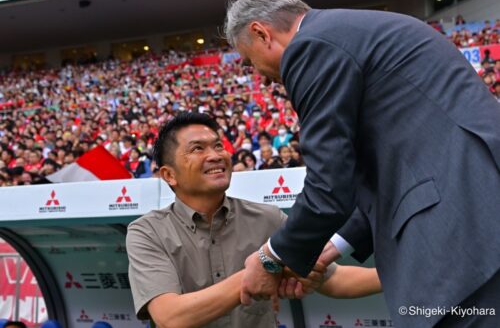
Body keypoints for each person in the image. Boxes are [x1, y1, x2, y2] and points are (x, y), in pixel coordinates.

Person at [224, 0, 500, 327]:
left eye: (247, 61)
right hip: (475, 217)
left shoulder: (309, 46)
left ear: (261, 33)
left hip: (463, 230)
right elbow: (384, 171)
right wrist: (329, 247)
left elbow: (329, 185)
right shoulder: (343, 32)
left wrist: (270, 257)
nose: (260, 78)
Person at [126, 113, 381, 328]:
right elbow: (171, 315)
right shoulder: (147, 231)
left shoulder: (267, 218)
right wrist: (266, 266)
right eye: (197, 149)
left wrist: (401, 275)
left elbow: (332, 278)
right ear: (169, 174)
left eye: (218, 146)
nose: (215, 155)